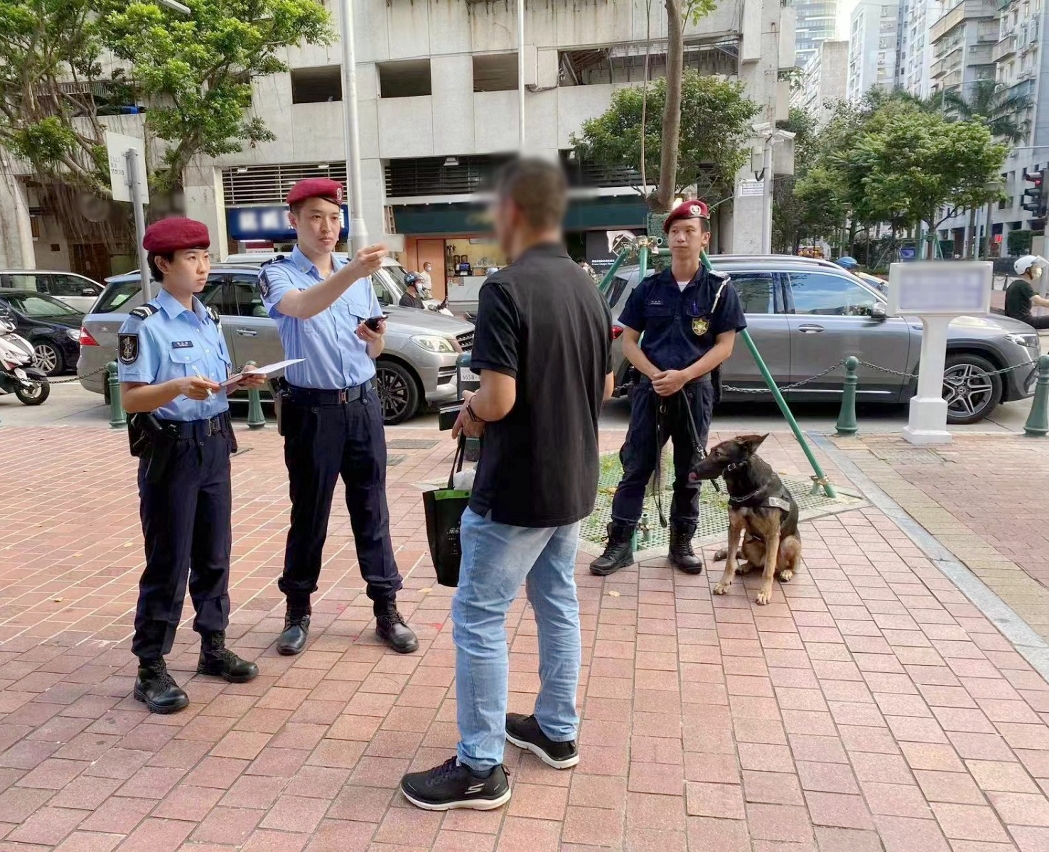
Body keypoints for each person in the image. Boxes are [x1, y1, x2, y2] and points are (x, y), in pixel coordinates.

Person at [400, 158, 613, 811]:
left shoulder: (505, 288)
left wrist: (470, 411)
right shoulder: (585, 286)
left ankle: (478, 766)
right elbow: (606, 384)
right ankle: (556, 729)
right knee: (556, 602)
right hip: (572, 479)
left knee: (478, 618)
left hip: (518, 487)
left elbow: (498, 398)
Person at [258, 179, 418, 657]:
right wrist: (351, 272)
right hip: (312, 409)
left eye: (333, 218)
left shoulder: (357, 275)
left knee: (372, 508)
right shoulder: (277, 273)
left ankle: (387, 609)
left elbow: (374, 346)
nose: (327, 228)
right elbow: (303, 307)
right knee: (310, 513)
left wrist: (374, 337)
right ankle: (297, 610)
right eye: (315, 217)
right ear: (293, 221)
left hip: (363, 404)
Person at [117, 217, 266, 714]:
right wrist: (178, 387)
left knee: (213, 552)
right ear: (163, 264)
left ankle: (213, 647)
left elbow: (213, 382)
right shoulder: (144, 324)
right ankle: (150, 667)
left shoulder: (209, 318)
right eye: (191, 258)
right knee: (169, 559)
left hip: (214, 445)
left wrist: (238, 380)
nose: (203, 267)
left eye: (205, 257)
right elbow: (132, 399)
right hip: (171, 451)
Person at [590, 200, 747, 577]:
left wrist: (684, 376)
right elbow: (629, 342)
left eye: (689, 231)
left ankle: (681, 544)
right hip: (651, 392)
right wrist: (655, 375)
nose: (680, 238)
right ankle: (619, 544)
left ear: (704, 238)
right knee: (635, 468)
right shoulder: (649, 288)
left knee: (691, 470)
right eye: (675, 232)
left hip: (694, 394)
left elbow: (724, 346)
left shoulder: (718, 290)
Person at [1006, 255, 1049, 329]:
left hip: (1016, 320)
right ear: (1027, 270)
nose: (1038, 270)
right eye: (1035, 267)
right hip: (1024, 321)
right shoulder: (1024, 285)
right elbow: (1039, 301)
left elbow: (1023, 303)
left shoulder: (1015, 284)